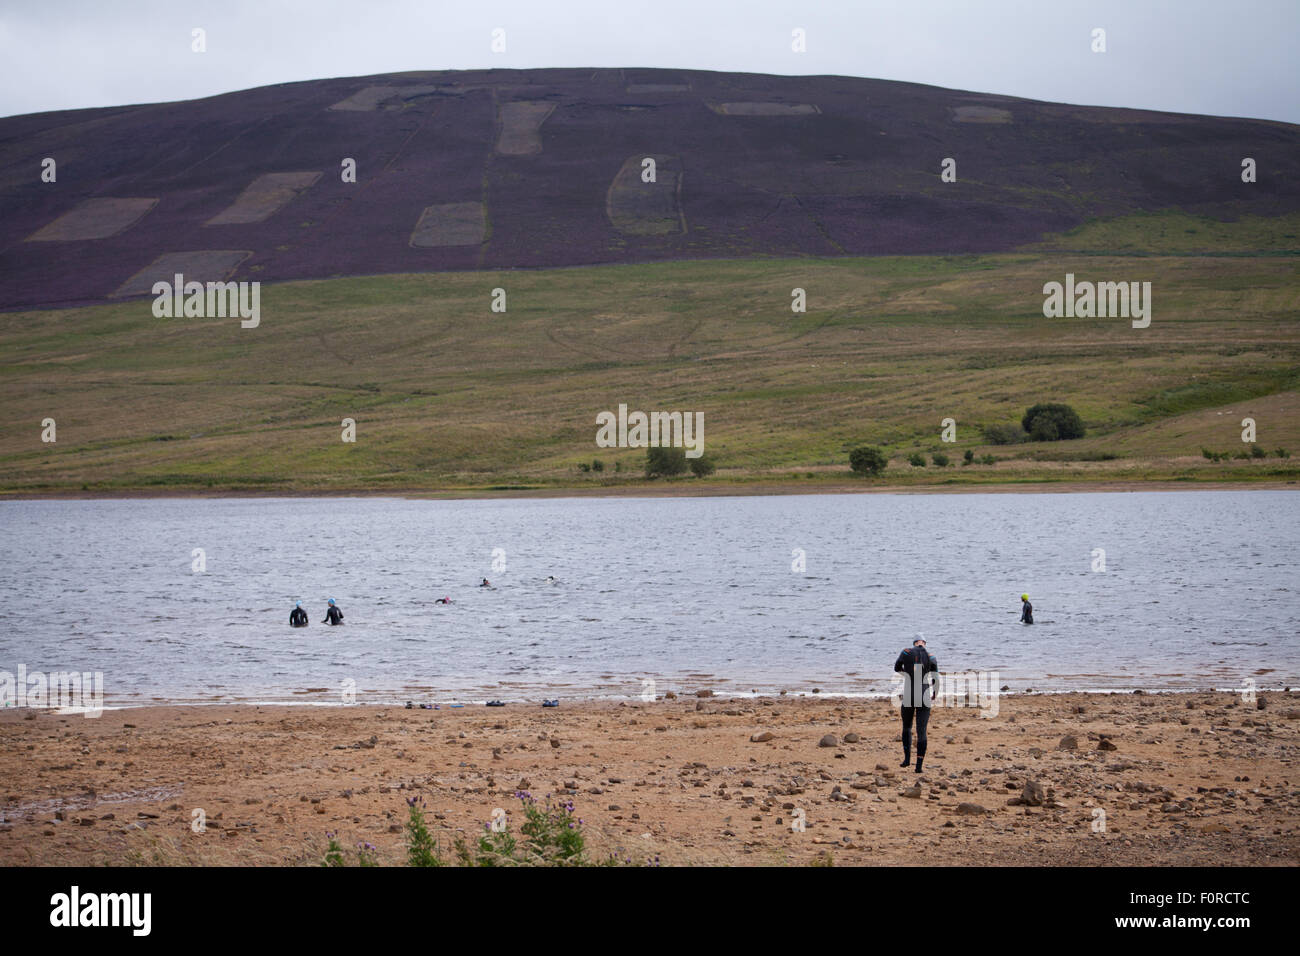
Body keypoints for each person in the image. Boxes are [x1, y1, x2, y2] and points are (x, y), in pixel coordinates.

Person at [893, 637, 939, 773]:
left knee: (907, 727)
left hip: (909, 694)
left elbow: (896, 668)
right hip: (924, 695)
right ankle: (918, 767)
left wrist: (906, 673)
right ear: (924, 643)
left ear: (914, 643)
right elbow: (935, 678)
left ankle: (907, 760)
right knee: (921, 731)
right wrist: (935, 693)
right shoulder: (931, 656)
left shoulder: (906, 652)